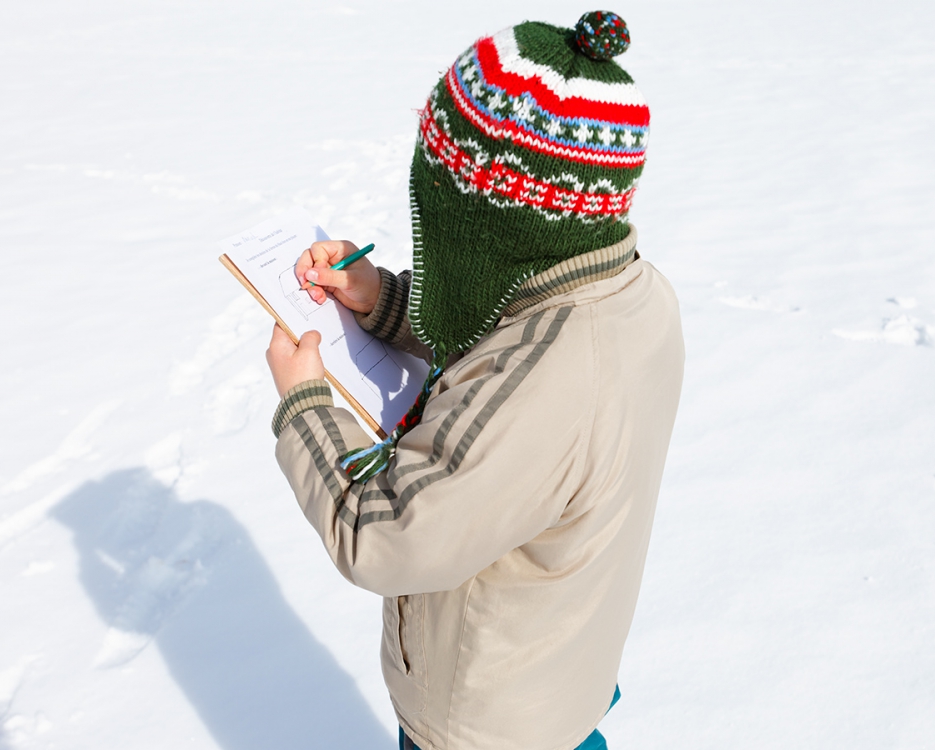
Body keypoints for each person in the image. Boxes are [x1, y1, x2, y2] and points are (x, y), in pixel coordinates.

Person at [264, 12, 683, 750]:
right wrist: (384, 299)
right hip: (557, 667)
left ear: (497, 221)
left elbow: (387, 534)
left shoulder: (551, 372)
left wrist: (305, 405)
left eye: (447, 197)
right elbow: (507, 327)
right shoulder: (628, 295)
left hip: (486, 720)